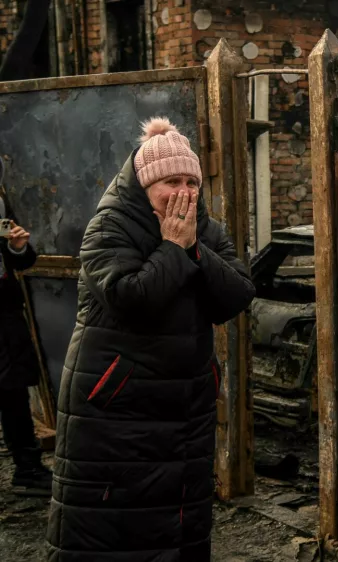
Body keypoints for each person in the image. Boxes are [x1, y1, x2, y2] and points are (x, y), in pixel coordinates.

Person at [46, 117, 256, 561]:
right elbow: (133, 299)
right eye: (169, 182)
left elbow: (237, 295)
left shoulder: (207, 231)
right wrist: (174, 250)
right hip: (118, 406)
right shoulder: (108, 229)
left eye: (190, 181)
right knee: (112, 526)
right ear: (144, 185)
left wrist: (195, 249)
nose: (183, 192)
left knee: (178, 519)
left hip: (185, 407)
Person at [0, 189, 52, 497]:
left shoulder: (2, 200)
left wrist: (18, 247)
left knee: (13, 390)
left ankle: (28, 469)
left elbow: (22, 260)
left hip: (5, 313)